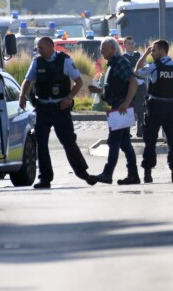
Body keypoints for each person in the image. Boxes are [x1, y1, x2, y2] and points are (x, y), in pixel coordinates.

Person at [18, 36, 97, 189]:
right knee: (41, 144)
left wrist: (69, 98)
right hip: (43, 108)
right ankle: (44, 179)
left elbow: (79, 82)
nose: (38, 51)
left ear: (50, 46)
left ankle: (84, 174)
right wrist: (22, 96)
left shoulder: (65, 60)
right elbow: (27, 81)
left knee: (68, 141)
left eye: (41, 48)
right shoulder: (37, 62)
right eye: (38, 48)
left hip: (60, 107)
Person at [135, 39, 173, 183]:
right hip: (171, 107)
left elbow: (137, 71)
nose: (152, 53)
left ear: (162, 51)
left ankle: (148, 173)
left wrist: (144, 54)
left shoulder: (154, 67)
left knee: (150, 141)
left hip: (155, 106)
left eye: (154, 50)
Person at [89, 37, 140, 185]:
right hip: (117, 108)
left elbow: (133, 82)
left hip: (121, 109)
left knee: (115, 141)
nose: (102, 51)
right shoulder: (112, 64)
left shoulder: (121, 63)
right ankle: (133, 175)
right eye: (101, 49)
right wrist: (99, 90)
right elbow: (115, 86)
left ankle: (108, 173)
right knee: (124, 143)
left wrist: (126, 102)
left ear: (113, 49)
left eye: (104, 49)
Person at [122, 36, 146, 137]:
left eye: (132, 43)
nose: (131, 46)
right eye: (129, 44)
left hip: (140, 85)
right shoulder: (122, 57)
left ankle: (140, 130)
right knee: (129, 108)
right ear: (125, 45)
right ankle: (127, 131)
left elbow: (144, 67)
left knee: (141, 109)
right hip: (128, 87)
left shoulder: (138, 55)